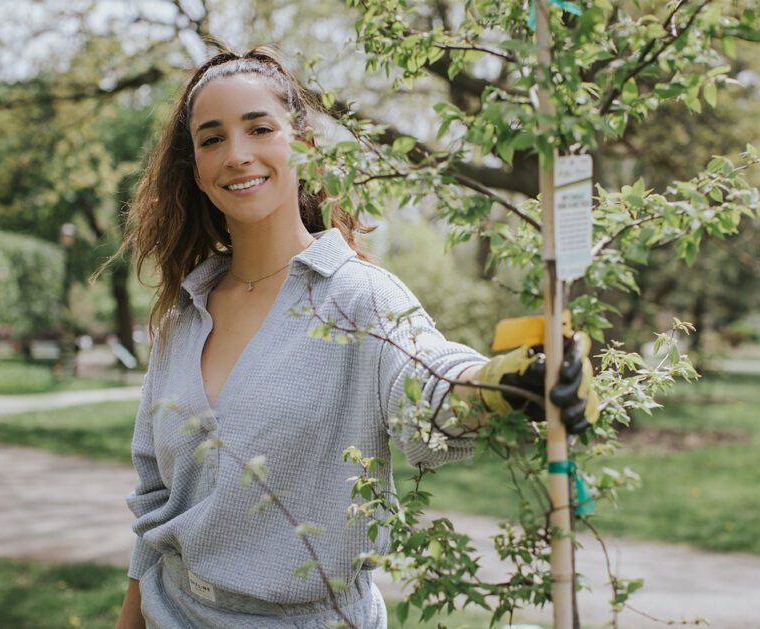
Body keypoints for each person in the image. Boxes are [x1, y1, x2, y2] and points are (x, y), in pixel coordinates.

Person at [109, 47, 589, 629]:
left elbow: (429, 380)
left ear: (306, 145)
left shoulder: (356, 297)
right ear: (195, 167)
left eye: (259, 128)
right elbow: (155, 501)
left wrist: (504, 381)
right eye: (212, 139)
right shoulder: (182, 314)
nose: (237, 155)